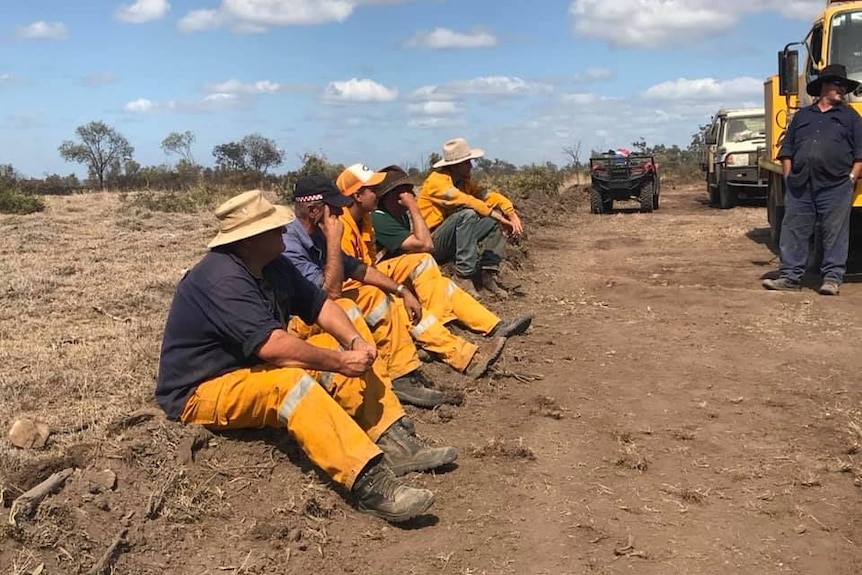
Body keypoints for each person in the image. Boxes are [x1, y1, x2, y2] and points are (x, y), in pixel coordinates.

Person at [155, 189, 457, 524]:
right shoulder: (221, 279)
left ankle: (392, 436)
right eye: (274, 228)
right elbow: (273, 346)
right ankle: (369, 481)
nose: (284, 231)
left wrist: (353, 341)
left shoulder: (273, 264)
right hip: (202, 388)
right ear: (248, 240)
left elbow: (321, 305)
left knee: (331, 349)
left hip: (248, 368)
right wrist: (342, 362)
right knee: (291, 384)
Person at [284, 174, 506, 381]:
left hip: (331, 305)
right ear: (313, 211)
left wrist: (401, 290)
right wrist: (333, 239)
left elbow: (360, 269)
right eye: (333, 210)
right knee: (378, 301)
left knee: (392, 298)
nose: (339, 213)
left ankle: (460, 355)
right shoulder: (294, 244)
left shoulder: (320, 234)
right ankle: (423, 368)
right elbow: (329, 294)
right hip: (304, 321)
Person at [364, 163, 532, 339]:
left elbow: (485, 196)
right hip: (384, 277)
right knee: (424, 262)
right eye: (407, 191)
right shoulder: (380, 219)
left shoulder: (400, 217)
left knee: (448, 287)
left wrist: (506, 213)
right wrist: (414, 208)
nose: (412, 195)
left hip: (402, 271)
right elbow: (426, 246)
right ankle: (440, 327)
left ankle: (495, 325)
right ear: (394, 195)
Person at [763, 64, 862, 295]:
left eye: (845, 86)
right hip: (800, 185)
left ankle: (831, 279)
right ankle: (789, 277)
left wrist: (851, 177)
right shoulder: (802, 116)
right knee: (794, 230)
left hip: (836, 186)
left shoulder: (851, 118)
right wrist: (788, 176)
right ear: (824, 86)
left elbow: (860, 153)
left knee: (834, 232)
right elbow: (786, 149)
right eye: (838, 85)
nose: (842, 90)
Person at [418, 137, 524, 297]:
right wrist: (500, 219)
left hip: (450, 239)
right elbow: (466, 200)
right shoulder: (436, 183)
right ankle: (462, 275)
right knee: (468, 214)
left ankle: (487, 273)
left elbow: (487, 195)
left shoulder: (464, 182)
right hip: (431, 243)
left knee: (493, 219)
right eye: (466, 162)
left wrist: (510, 213)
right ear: (454, 165)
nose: (470, 166)